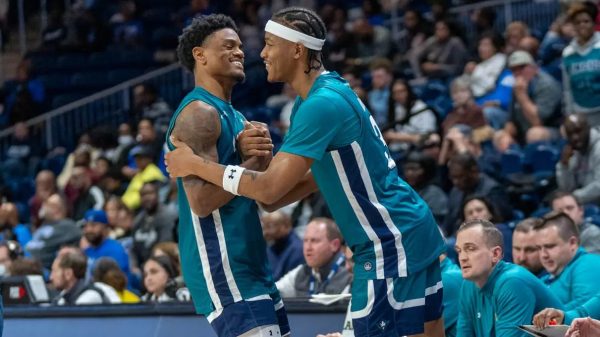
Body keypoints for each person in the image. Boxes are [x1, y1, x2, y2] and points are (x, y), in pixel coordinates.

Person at [166, 7, 446, 337]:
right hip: (408, 231)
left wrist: (197, 164)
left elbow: (269, 192)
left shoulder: (318, 105)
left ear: (297, 50)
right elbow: (271, 197)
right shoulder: (317, 97)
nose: (259, 52)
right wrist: (256, 167)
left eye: (269, 43)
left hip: (388, 242)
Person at [165, 14, 289, 337]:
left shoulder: (234, 116)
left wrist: (259, 161)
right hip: (224, 265)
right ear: (200, 55)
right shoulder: (199, 114)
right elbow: (202, 202)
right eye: (228, 46)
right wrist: (251, 163)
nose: (239, 52)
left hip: (251, 264)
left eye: (239, 46)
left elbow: (265, 192)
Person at [454, 219, 563, 337]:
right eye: (459, 251)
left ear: (495, 254)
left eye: (470, 249)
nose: (462, 258)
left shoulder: (512, 282)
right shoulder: (468, 285)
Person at [534, 211, 600, 310]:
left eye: (550, 246)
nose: (543, 255)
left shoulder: (588, 263)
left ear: (573, 243)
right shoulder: (545, 278)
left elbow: (587, 310)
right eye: (539, 248)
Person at [275, 218, 351, 297]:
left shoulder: (350, 274)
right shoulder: (301, 272)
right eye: (305, 240)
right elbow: (273, 294)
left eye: (315, 241)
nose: (308, 247)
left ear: (334, 245)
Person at [562, 2, 600, 127]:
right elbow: (567, 89)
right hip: (582, 114)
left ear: (594, 24)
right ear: (573, 26)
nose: (582, 25)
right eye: (578, 22)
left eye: (586, 21)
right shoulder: (567, 53)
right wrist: (569, 114)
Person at [556, 114, 600, 205]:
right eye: (570, 134)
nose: (575, 137)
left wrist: (574, 197)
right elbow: (566, 188)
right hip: (584, 204)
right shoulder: (572, 151)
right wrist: (564, 165)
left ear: (588, 128)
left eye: (578, 131)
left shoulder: (598, 148)